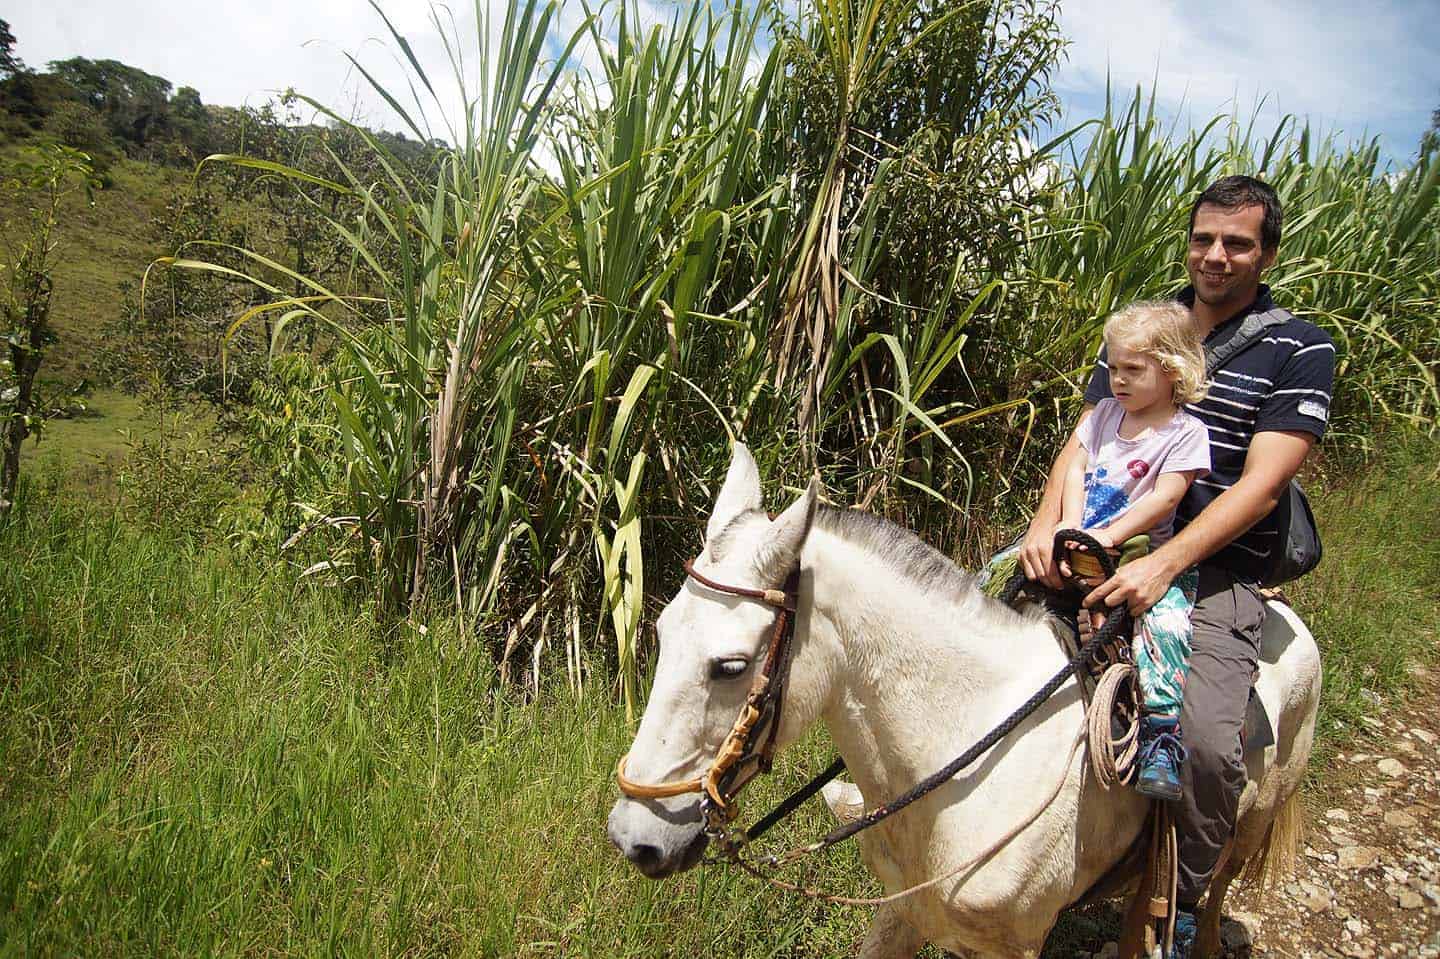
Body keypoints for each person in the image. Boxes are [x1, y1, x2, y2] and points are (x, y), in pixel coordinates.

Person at [1018, 175, 1335, 956]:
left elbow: (1263, 486)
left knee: (1200, 741)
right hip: (1095, 542)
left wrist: (1165, 564)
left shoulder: (1299, 345)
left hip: (1214, 568)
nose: (1216, 256)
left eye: (1237, 242)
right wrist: (1045, 523)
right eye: (1204, 238)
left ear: (1267, 252)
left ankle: (1175, 902)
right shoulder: (1148, 324)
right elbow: (1088, 434)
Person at [1055, 300, 1211, 802]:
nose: (1117, 380)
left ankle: (1161, 733)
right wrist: (1072, 523)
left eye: (1132, 370)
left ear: (1172, 371)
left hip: (1139, 554)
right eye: (1114, 367)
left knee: (1163, 624)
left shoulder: (1185, 433)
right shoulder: (1104, 415)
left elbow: (1167, 496)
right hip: (1083, 542)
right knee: (999, 576)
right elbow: (1076, 467)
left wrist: (1112, 534)